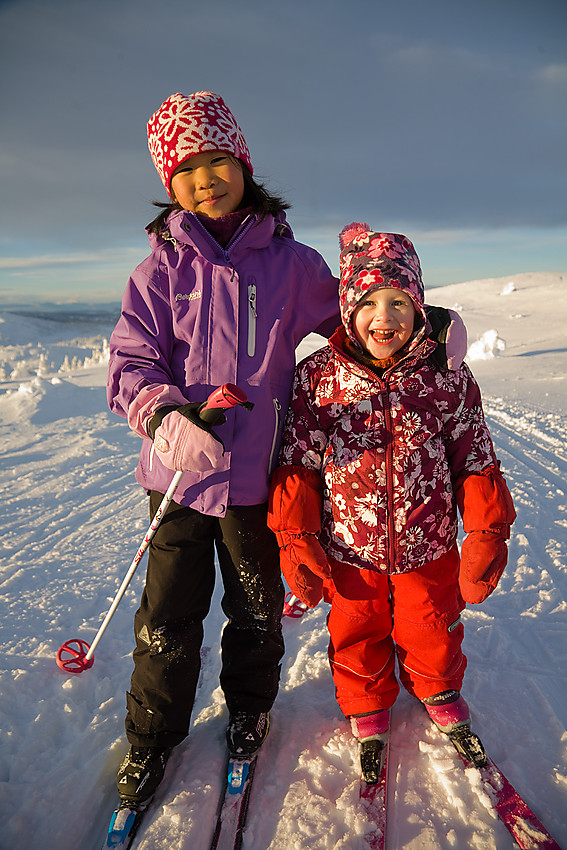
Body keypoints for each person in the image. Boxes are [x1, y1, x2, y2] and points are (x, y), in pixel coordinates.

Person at [106, 91, 342, 806]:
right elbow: (129, 362)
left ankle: (247, 709)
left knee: (255, 606)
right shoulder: (159, 271)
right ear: (168, 184)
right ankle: (152, 739)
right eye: (187, 169)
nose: (205, 178)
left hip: (256, 478)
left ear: (242, 165)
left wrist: (424, 327)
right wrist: (165, 416)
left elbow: (354, 328)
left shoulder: (292, 264)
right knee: (169, 615)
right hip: (176, 476)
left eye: (217, 161)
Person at [267, 223, 516, 781]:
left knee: (432, 624)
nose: (386, 316)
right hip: (349, 548)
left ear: (420, 307)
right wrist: (296, 536)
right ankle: (367, 704)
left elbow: (474, 456)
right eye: (370, 301)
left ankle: (438, 688)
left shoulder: (446, 378)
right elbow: (298, 463)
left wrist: (486, 531)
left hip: (427, 543)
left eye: (400, 301)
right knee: (357, 629)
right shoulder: (318, 380)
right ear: (348, 309)